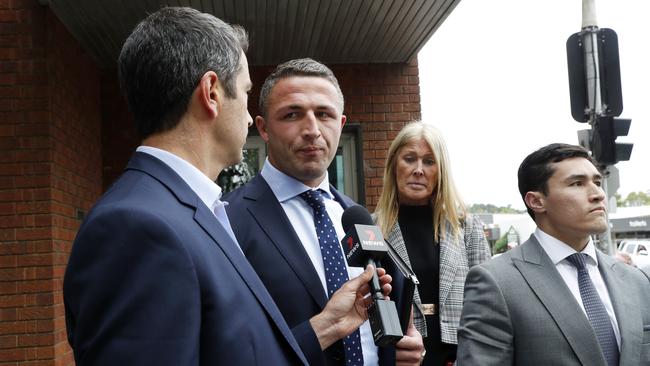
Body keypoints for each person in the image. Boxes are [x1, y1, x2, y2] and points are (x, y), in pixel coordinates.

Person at [63, 9, 388, 365]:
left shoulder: (190, 213)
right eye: (246, 92)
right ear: (212, 93)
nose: (248, 117)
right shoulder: (136, 226)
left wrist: (326, 326)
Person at [225, 58, 424, 366]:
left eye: (324, 114)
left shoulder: (357, 217)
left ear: (340, 124)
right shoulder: (227, 220)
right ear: (263, 128)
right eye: (292, 114)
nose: (312, 130)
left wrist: (399, 351)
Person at [457, 143, 650, 365]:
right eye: (577, 183)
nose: (598, 194)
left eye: (597, 182)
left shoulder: (637, 281)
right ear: (536, 201)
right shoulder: (497, 282)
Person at [373, 121, 491, 366]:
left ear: (441, 171)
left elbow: (487, 303)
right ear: (394, 164)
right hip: (398, 355)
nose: (418, 169)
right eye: (409, 158)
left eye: (428, 161)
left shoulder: (466, 227)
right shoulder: (372, 230)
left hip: (458, 355)